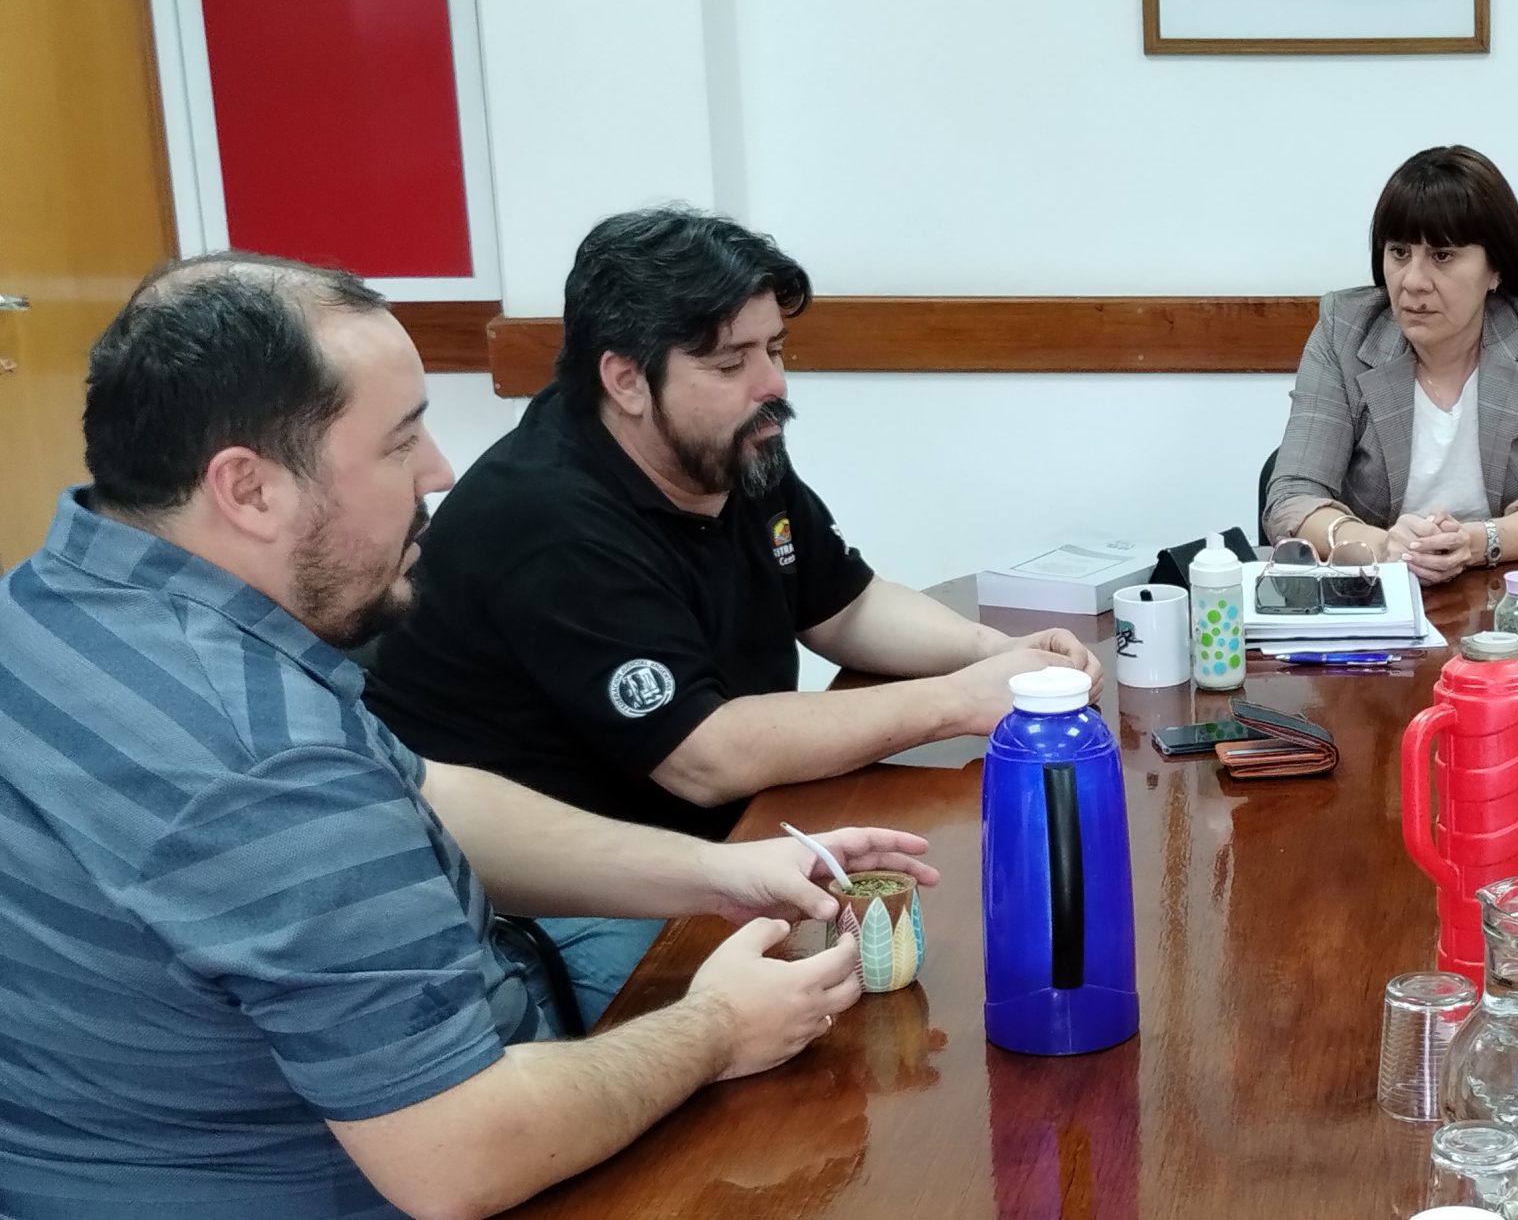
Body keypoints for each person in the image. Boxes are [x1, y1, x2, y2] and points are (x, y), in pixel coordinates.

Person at [0, 253, 936, 1220]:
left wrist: (713, 874)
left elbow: (420, 797)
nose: (440, 471)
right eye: (401, 441)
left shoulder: (60, 596)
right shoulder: (262, 763)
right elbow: (463, 1155)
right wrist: (712, 1030)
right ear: (249, 489)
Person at [364, 208, 1096, 1024]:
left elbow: (844, 605)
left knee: (955, 935)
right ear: (626, 380)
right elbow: (702, 756)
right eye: (730, 362)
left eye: (775, 350)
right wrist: (961, 700)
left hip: (726, 840)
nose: (772, 385)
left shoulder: (725, 446)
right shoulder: (543, 516)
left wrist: (994, 651)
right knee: (832, 1037)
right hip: (571, 885)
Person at [1263, 145, 1518, 586]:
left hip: (1506, 601)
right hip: (1373, 599)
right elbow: (1292, 499)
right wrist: (1383, 547)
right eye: (1399, 253)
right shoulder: (1344, 330)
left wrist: (1474, 542)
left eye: (1442, 256)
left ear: (1495, 267)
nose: (1413, 281)